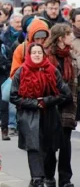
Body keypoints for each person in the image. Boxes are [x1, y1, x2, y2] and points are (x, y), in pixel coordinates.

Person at [10, 43, 70, 187]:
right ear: (29, 55)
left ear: (44, 54)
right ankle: (37, 178)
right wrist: (34, 103)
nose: (37, 55)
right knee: (34, 148)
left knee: (50, 148)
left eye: (39, 52)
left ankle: (49, 177)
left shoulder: (52, 70)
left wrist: (46, 101)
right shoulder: (21, 72)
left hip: (49, 115)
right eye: (34, 52)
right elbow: (14, 96)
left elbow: (64, 93)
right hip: (29, 116)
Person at [44, 24, 77, 187]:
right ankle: (48, 176)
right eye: (69, 35)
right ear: (61, 38)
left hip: (69, 104)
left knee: (65, 143)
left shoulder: (72, 55)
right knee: (50, 144)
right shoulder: (47, 56)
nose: (72, 37)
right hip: (51, 105)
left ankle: (65, 179)